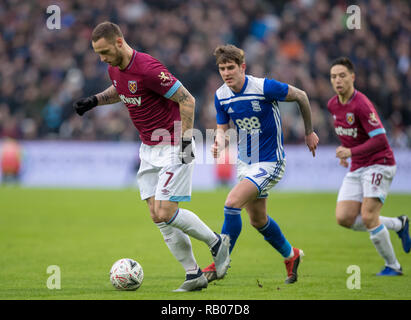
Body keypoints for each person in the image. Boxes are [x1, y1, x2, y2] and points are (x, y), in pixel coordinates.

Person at [72, 22, 230, 291]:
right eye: (98, 53)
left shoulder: (148, 68)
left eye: (105, 51)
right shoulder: (114, 68)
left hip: (174, 144)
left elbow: (188, 100)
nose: (102, 59)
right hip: (148, 148)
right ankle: (194, 274)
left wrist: (185, 142)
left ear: (119, 42)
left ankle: (217, 242)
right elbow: (121, 90)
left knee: (166, 211)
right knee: (157, 216)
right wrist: (95, 100)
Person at [202, 44, 319, 284]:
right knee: (258, 220)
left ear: (242, 67)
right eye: (222, 68)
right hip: (245, 164)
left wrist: (309, 132)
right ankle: (291, 255)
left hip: (270, 161)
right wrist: (218, 143)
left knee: (232, 203)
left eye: (231, 67)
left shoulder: (264, 87)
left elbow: (301, 96)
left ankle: (220, 262)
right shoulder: (221, 95)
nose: (226, 73)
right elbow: (223, 128)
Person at [327, 57, 410, 276]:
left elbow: (381, 139)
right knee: (344, 218)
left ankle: (393, 266)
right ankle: (398, 224)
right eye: (333, 76)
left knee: (369, 216)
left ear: (352, 77)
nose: (338, 80)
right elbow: (348, 131)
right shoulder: (333, 104)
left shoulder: (361, 104)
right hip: (357, 166)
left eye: (342, 75)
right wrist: (345, 152)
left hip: (379, 164)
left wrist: (351, 152)